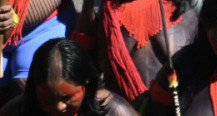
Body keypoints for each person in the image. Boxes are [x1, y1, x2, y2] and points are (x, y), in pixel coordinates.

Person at [12, 40, 140, 116]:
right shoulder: (17, 111)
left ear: (86, 84)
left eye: (66, 97)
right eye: (48, 99)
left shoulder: (113, 111)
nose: (59, 107)